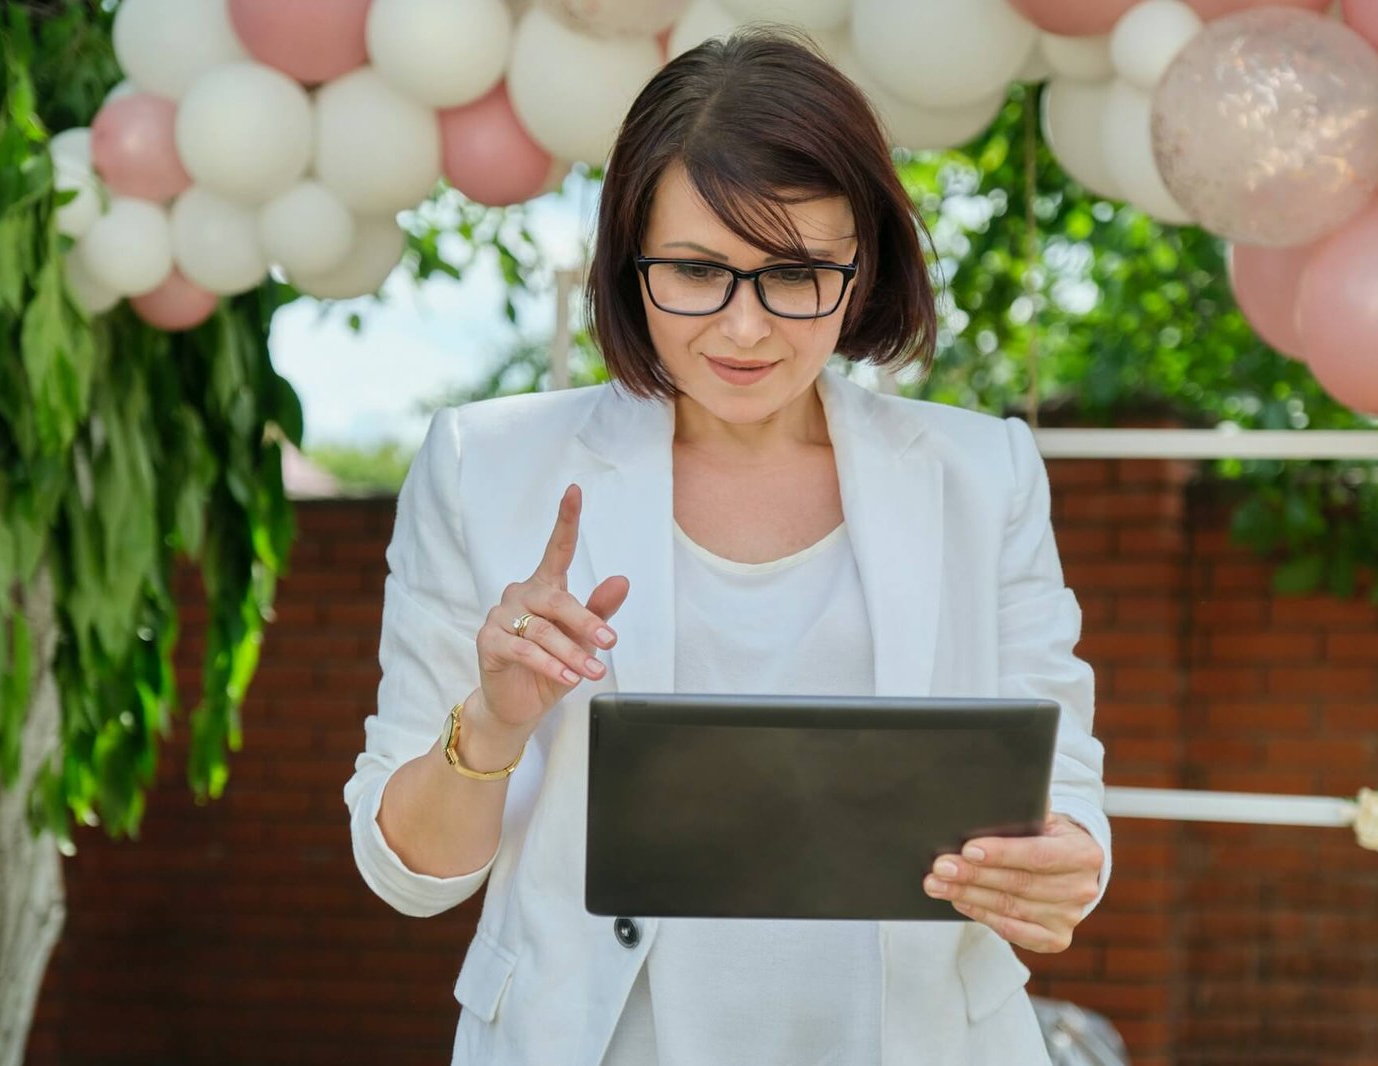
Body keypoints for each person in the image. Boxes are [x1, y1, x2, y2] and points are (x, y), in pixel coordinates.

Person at [342, 27, 1109, 1066]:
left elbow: (1059, 787)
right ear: (628, 259)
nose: (744, 330)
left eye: (795, 274)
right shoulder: (484, 465)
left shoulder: (984, 473)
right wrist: (493, 721)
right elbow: (410, 873)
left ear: (862, 263)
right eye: (697, 271)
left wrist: (1065, 864)